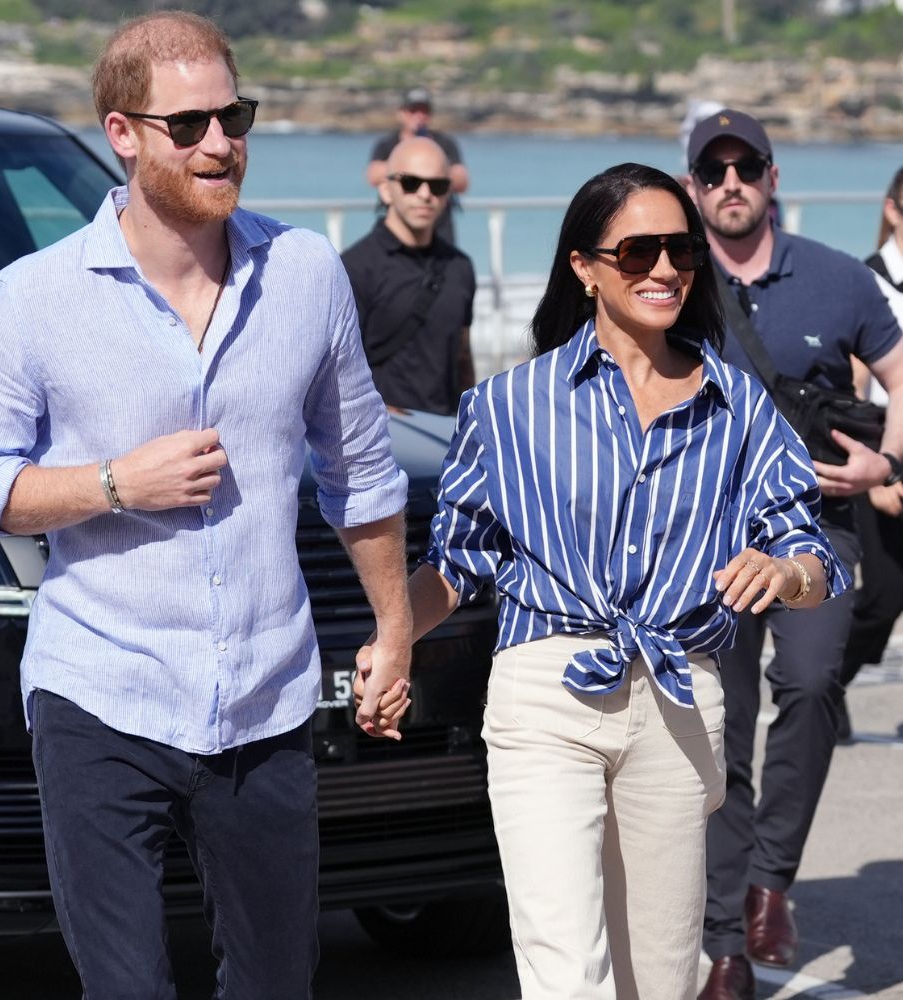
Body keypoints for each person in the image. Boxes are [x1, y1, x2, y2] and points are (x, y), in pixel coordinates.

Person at [0, 11, 412, 999]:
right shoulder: (34, 298)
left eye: (234, 116)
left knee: (277, 982)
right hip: (100, 690)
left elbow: (360, 465)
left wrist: (395, 629)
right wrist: (113, 484)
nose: (220, 142)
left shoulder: (307, 275)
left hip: (266, 698)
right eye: (187, 126)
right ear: (124, 134)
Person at [356, 161, 849, 1000]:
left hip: (681, 694)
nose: (666, 270)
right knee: (565, 969)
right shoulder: (510, 407)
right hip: (546, 692)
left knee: (659, 976)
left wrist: (787, 572)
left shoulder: (738, 405)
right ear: (585, 267)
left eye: (683, 251)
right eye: (640, 252)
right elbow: (460, 562)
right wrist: (392, 642)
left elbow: (816, 552)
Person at [684, 109, 903, 1000]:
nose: (731, 183)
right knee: (723, 732)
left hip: (819, 532)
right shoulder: (670, 274)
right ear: (695, 185)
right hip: (708, 542)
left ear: (773, 178)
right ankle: (728, 940)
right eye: (714, 171)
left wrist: (886, 459)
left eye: (748, 167)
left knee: (812, 686)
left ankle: (772, 874)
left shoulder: (839, 277)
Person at [837, 166, 903, 741]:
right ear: (893, 211)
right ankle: (827, 684)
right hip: (884, 435)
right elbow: (855, 385)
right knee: (882, 595)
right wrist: (880, 467)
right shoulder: (871, 282)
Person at [342, 136, 476, 416]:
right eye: (410, 183)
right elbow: (336, 367)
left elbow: (462, 356)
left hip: (446, 434)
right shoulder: (354, 267)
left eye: (438, 186)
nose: (425, 194)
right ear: (386, 190)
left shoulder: (460, 266)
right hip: (381, 436)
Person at [366, 86, 469, 244]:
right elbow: (373, 176)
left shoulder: (445, 143)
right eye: (413, 110)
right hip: (398, 224)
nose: (419, 116)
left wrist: (431, 158)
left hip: (440, 226)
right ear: (401, 113)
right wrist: (411, 158)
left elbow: (462, 181)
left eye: (424, 111)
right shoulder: (387, 144)